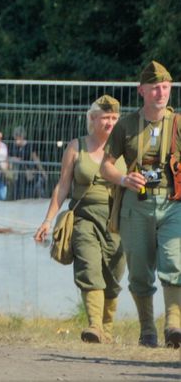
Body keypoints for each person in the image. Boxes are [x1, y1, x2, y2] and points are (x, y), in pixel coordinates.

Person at [100, 60, 181, 348]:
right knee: (138, 271)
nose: (161, 93)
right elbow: (105, 167)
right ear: (141, 91)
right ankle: (148, 331)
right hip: (136, 204)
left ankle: (174, 325)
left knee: (174, 262)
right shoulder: (125, 126)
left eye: (166, 87)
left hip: (173, 203)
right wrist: (123, 179)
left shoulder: (178, 123)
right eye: (155, 88)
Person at [34, 96, 124, 343]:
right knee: (89, 266)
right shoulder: (77, 147)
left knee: (113, 276)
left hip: (117, 221)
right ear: (92, 119)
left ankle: (107, 330)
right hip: (84, 218)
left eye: (115, 118)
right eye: (105, 117)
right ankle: (94, 326)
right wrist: (48, 220)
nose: (110, 123)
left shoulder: (126, 148)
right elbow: (62, 186)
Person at [10, 127, 46, 199]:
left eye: (16, 138)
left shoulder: (29, 146)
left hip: (30, 173)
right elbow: (9, 157)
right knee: (18, 193)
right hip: (19, 173)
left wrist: (42, 171)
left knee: (29, 193)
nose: (15, 140)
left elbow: (35, 159)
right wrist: (14, 159)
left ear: (21, 137)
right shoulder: (14, 146)